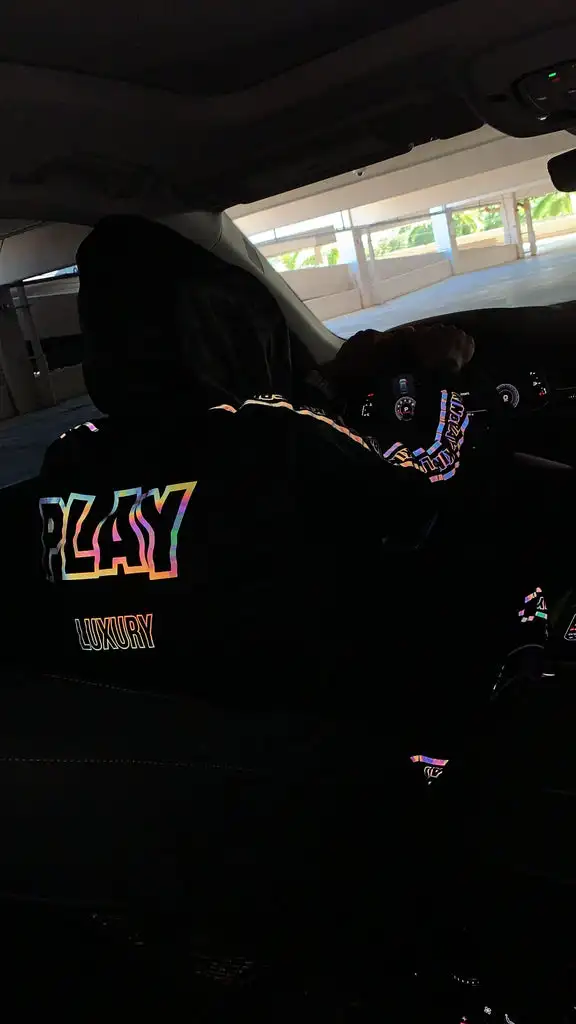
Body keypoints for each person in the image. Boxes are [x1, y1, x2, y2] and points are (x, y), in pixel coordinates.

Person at [35, 214, 475, 733]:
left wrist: (329, 381)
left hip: (140, 739)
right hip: (303, 737)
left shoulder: (67, 459)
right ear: (229, 332)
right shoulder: (270, 435)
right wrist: (442, 373)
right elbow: (424, 484)